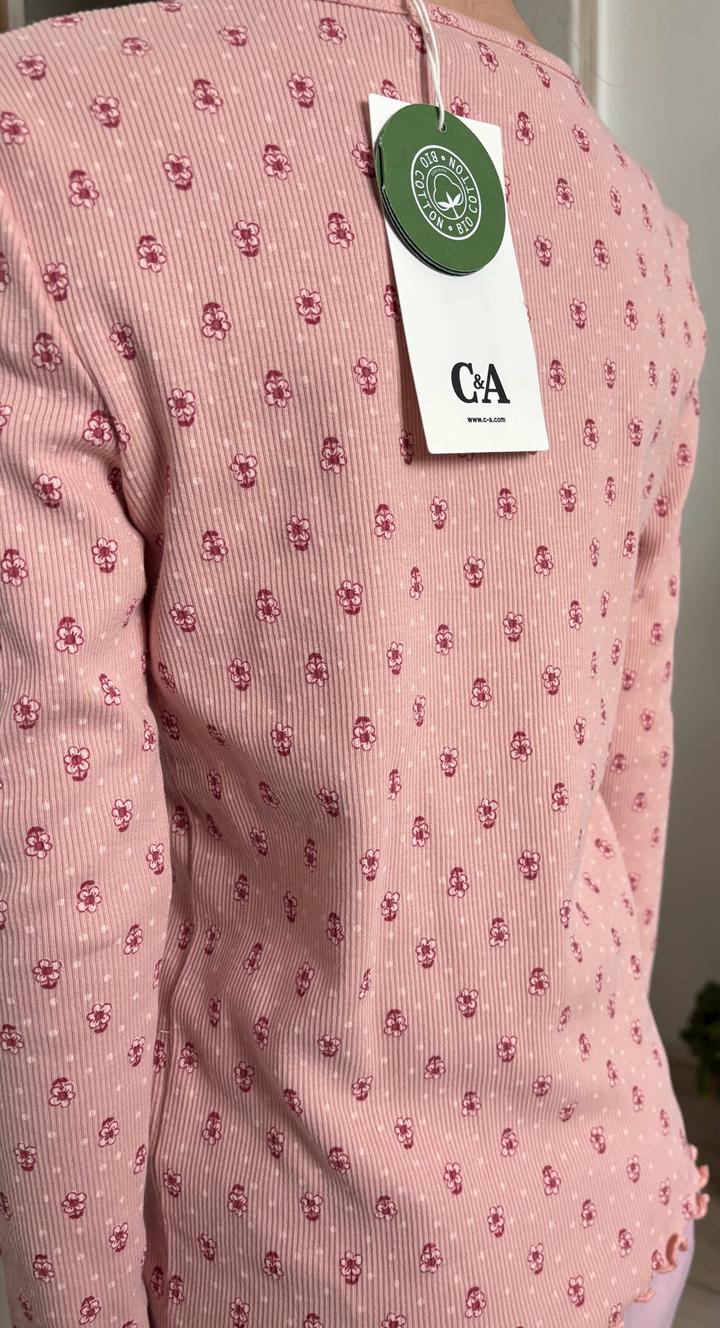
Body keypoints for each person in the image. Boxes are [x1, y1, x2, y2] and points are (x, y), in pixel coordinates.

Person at [0, 1, 711, 1325]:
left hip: (293, 1263)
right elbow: (627, 784)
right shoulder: (626, 212)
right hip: (619, 1221)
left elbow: (56, 900)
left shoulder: (41, 150)